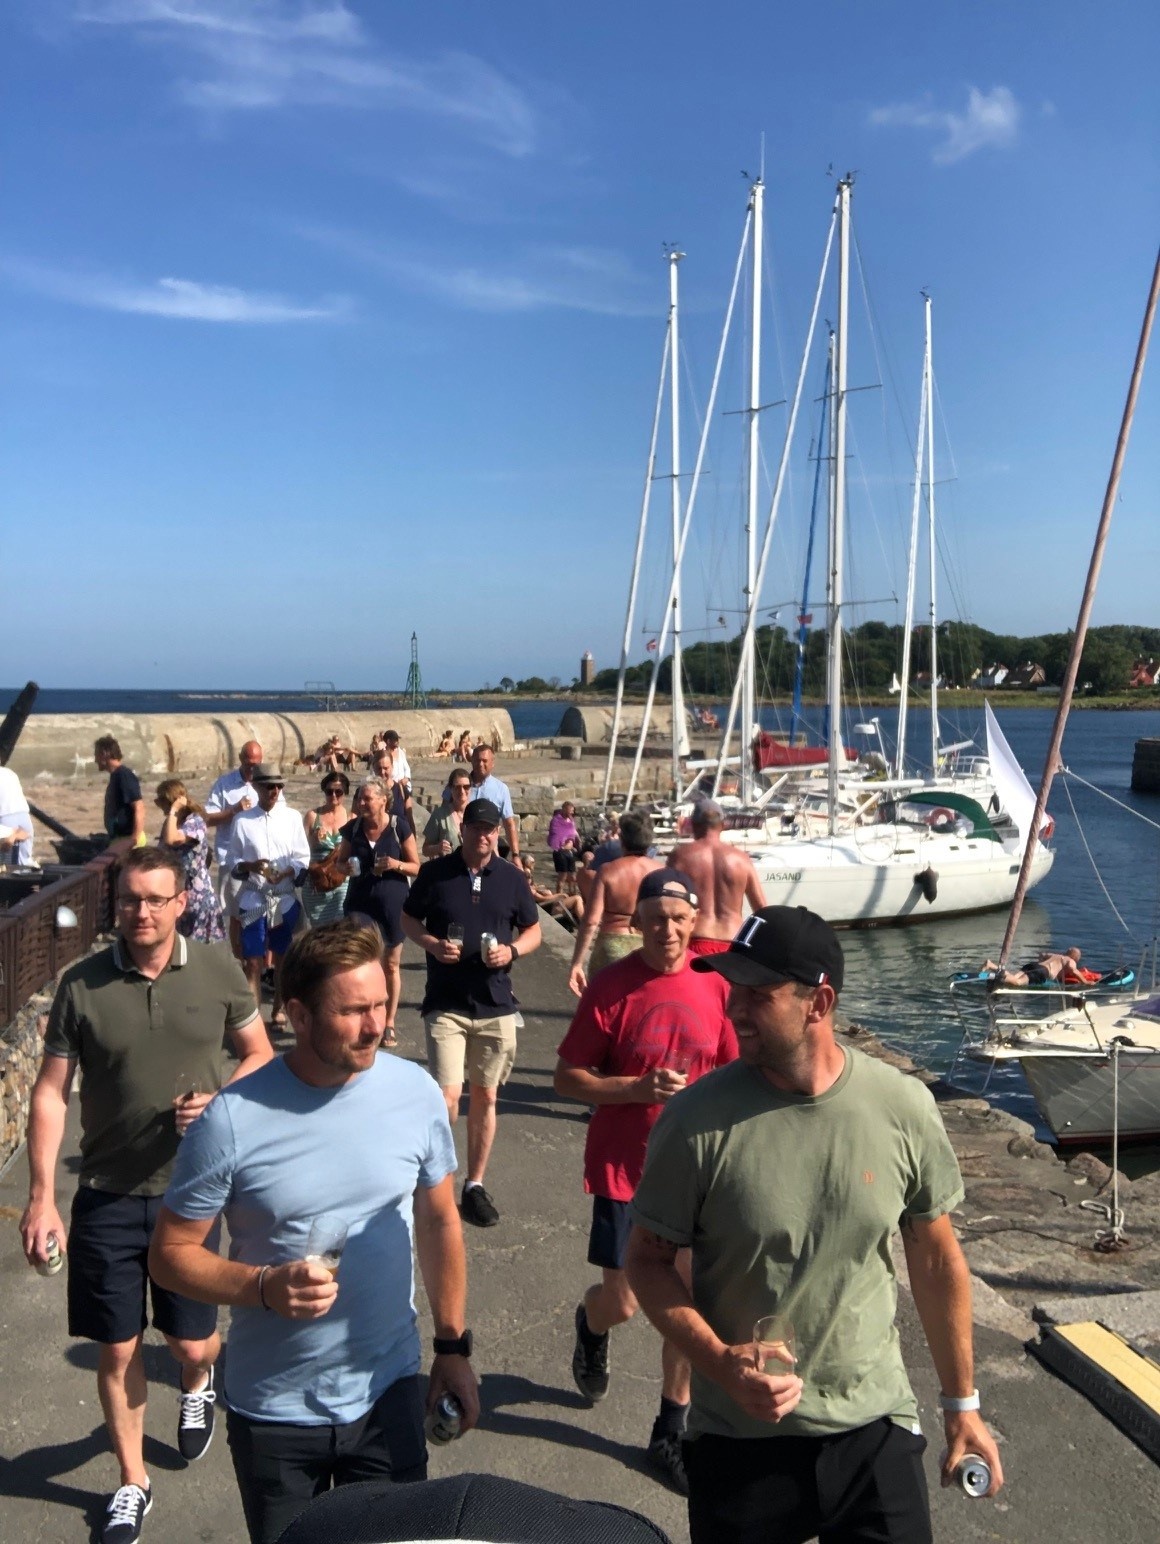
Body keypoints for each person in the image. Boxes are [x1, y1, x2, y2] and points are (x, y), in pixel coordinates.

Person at [624, 905, 1004, 1544]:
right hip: (739, 1438)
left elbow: (936, 1260)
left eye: (757, 994)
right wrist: (719, 1363)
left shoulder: (902, 1107)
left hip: (874, 1424)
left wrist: (961, 1404)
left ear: (818, 1002)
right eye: (731, 990)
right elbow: (647, 1261)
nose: (733, 1010)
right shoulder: (693, 1122)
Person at [149, 918, 479, 1544]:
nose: (377, 1025)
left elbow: (439, 1219)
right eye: (353, 1011)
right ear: (297, 1015)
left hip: (388, 1395)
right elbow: (168, 1256)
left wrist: (453, 1347)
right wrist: (264, 1286)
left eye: (382, 1003)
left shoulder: (415, 1092)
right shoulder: (231, 1121)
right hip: (275, 1411)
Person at [20, 846, 272, 1544]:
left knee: (192, 1347)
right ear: (117, 903)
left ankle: (197, 1389)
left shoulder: (218, 970)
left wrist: (220, 1098)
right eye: (131, 899)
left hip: (193, 1199)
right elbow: (48, 1094)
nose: (142, 912)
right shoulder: (82, 985)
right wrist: (42, 1197)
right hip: (105, 1193)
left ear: (181, 903)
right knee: (119, 1349)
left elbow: (259, 1056)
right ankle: (133, 1481)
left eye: (156, 899)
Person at [555, 871, 736, 1495]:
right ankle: (591, 1322)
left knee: (684, 1303)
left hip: (695, 1170)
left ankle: (669, 1430)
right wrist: (634, 1089)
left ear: (694, 922)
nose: (668, 929)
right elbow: (568, 1078)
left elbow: (735, 1072)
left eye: (679, 918)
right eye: (655, 919)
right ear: (637, 924)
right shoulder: (611, 987)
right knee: (627, 1302)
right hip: (624, 1169)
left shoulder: (715, 987)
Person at [401, 799, 541, 1229]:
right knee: (447, 1098)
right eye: (477, 828)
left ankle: (474, 1184)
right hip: (446, 1002)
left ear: (498, 832)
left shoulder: (512, 879)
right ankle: (438, 1180)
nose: (484, 835)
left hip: (496, 1002)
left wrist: (512, 950)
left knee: (486, 1096)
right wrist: (431, 944)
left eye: (491, 829)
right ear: (463, 830)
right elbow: (408, 919)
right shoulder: (435, 873)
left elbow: (533, 929)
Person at [333, 776, 420, 1048]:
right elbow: (339, 863)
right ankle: (362, 1014)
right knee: (360, 962)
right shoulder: (353, 828)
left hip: (392, 906)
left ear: (383, 800)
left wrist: (395, 864)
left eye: (367, 798)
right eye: (359, 798)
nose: (361, 803)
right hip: (360, 904)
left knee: (391, 965)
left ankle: (390, 1022)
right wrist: (343, 868)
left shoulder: (399, 827)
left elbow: (417, 866)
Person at [224, 764, 312, 1026]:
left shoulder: (292, 817)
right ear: (257, 787)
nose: (274, 791)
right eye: (269, 786)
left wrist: (287, 872)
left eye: (278, 786)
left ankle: (278, 1008)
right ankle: (252, 1017)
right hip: (254, 899)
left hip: (283, 901)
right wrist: (251, 866)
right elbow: (232, 861)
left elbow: (302, 858)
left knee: (283, 960)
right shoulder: (242, 821)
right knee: (252, 962)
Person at [568, 811, 661, 996]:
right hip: (648, 946)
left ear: (622, 839)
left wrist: (577, 962)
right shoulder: (660, 872)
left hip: (611, 944)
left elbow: (591, 921)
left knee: (604, 1008)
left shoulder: (608, 871)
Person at [669, 802, 765, 956]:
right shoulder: (741, 859)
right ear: (722, 825)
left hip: (695, 942)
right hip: (733, 943)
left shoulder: (680, 857)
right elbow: (762, 910)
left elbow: (667, 902)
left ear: (693, 824)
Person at [205, 740, 263, 947]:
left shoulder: (266, 783)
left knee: (264, 914)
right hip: (232, 862)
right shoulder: (225, 784)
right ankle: (241, 962)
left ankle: (262, 964)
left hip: (261, 861)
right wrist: (234, 811)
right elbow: (207, 819)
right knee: (236, 916)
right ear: (240, 759)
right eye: (248, 764)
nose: (252, 769)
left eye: (256, 764)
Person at [156, 778, 225, 944]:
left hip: (196, 897)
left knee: (197, 951)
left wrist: (174, 810)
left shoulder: (195, 822)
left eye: (160, 800)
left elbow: (172, 840)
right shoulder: (171, 823)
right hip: (175, 892)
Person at [300, 772, 351, 927]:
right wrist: (312, 841)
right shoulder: (312, 816)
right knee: (320, 933)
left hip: (342, 882)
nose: (333, 795)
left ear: (345, 793)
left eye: (339, 792)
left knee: (341, 930)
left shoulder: (351, 817)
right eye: (329, 791)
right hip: (317, 882)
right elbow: (299, 849)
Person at [466, 744, 521, 864]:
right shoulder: (459, 787)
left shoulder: (501, 789)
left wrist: (515, 854)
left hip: (489, 851)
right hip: (464, 849)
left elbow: (509, 823)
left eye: (484, 761)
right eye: (477, 760)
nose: (480, 764)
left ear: (492, 763)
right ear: (472, 761)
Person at [95, 735, 146, 853]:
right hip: (121, 839)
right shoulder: (116, 776)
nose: (95, 760)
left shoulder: (124, 776)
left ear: (104, 754)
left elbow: (139, 807)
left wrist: (134, 839)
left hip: (128, 840)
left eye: (96, 755)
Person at [521, 855, 585, 928]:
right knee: (577, 898)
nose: (534, 864)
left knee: (574, 898)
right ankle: (584, 922)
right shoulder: (529, 890)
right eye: (533, 862)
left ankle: (581, 921)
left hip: (551, 905)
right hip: (549, 908)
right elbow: (543, 899)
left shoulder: (528, 887)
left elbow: (535, 890)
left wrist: (538, 888)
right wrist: (559, 895)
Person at [984, 946, 1094, 987]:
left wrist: (1041, 962)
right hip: (1042, 972)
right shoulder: (1071, 961)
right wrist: (1086, 982)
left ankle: (991, 965)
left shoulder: (1057, 955)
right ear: (1075, 957)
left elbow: (1042, 954)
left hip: (1034, 965)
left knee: (1014, 977)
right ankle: (994, 975)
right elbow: (1074, 971)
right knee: (1018, 983)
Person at [423, 767, 471, 858]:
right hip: (448, 868)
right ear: (450, 789)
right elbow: (425, 850)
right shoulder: (439, 815)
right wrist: (437, 848)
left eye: (466, 787)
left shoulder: (476, 812)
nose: (462, 791)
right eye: (457, 787)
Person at [0, 763, 35, 865]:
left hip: (5, 817)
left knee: (7, 865)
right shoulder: (10, 773)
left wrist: (12, 836)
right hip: (24, 817)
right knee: (25, 861)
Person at [548, 801, 580, 883]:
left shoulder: (571, 821)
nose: (572, 812)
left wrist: (575, 841)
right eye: (571, 810)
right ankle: (559, 894)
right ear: (564, 809)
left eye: (573, 811)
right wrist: (563, 842)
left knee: (572, 876)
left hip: (570, 851)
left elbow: (573, 833)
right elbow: (556, 833)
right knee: (563, 876)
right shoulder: (556, 820)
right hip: (560, 851)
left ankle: (572, 893)